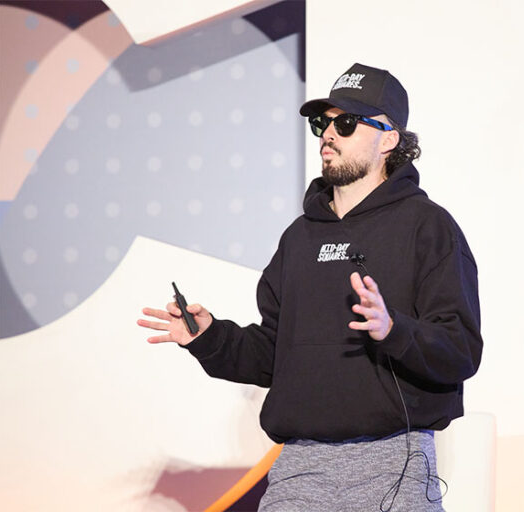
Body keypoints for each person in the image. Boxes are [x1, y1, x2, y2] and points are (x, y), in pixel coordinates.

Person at [138, 63, 482, 512]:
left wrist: (392, 329)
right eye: (322, 122)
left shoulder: (428, 226)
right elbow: (273, 355)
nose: (328, 134)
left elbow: (460, 348)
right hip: (298, 471)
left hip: (393, 466)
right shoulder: (299, 237)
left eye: (346, 123)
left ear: (390, 139)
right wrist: (209, 338)